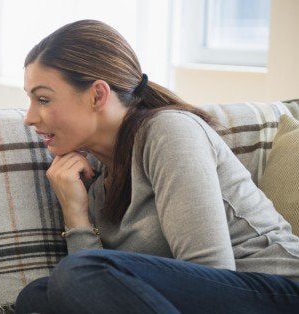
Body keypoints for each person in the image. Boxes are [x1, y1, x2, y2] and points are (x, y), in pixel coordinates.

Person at [15, 19, 299, 313]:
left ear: (98, 95)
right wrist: (76, 215)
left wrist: (83, 273)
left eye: (43, 99)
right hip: (203, 299)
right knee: (37, 295)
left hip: (277, 291)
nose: (30, 117)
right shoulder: (95, 176)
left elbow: (211, 272)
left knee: (77, 273)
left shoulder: (169, 131)